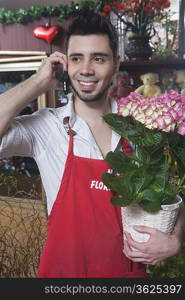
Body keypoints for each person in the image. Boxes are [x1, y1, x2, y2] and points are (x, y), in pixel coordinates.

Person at [0, 11, 184, 278]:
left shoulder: (141, 124)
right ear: (66, 65)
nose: (86, 69)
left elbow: (173, 194)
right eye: (76, 58)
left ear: (116, 63)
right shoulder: (47, 127)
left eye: (98, 58)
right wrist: (39, 82)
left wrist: (176, 237)